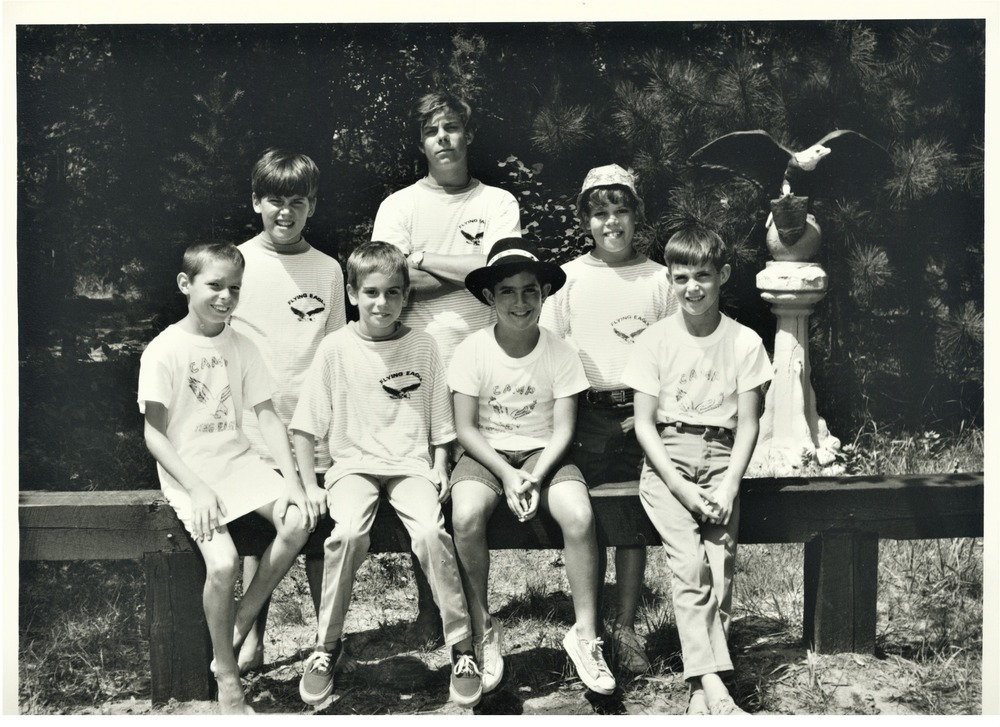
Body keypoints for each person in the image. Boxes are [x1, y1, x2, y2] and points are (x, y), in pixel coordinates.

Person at [290, 242, 483, 709]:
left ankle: (462, 648)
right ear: (352, 294)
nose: (382, 303)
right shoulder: (335, 348)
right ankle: (327, 646)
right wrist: (309, 484)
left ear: (406, 296)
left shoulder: (423, 344)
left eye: (393, 292)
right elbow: (304, 425)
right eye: (372, 292)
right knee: (348, 533)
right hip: (352, 467)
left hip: (410, 465)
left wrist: (440, 464)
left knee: (431, 532)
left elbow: (441, 421)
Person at [138, 242, 316, 714]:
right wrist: (196, 487)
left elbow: (268, 415)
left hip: (238, 463)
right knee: (223, 564)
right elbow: (154, 435)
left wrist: (293, 481)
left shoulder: (241, 344)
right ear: (186, 284)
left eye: (234, 288)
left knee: (298, 521)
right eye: (214, 285)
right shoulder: (164, 349)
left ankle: (240, 621)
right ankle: (227, 674)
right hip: (188, 471)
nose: (225, 297)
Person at [371, 89, 521, 644]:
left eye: (452, 128)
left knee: (473, 489)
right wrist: (469, 271)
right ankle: (431, 609)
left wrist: (421, 259)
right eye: (432, 131)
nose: (443, 138)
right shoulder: (399, 206)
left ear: (468, 134)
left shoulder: (498, 202)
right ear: (421, 143)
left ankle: (477, 611)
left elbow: (501, 271)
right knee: (425, 485)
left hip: (487, 362)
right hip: (414, 363)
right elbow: (391, 285)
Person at [448, 238, 617, 697]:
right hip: (486, 455)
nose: (520, 302)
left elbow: (564, 429)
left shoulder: (561, 352)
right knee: (465, 516)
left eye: (530, 291)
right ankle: (482, 631)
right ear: (490, 296)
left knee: (578, 515)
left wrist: (536, 476)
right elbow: (465, 429)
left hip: (544, 455)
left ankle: (585, 635)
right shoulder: (472, 350)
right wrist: (506, 475)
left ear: (544, 294)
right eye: (507, 291)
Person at [621, 228, 772, 715]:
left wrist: (729, 486)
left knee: (720, 566)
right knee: (689, 565)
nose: (692, 287)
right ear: (669, 279)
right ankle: (715, 684)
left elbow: (749, 425)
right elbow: (644, 425)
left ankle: (699, 693)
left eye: (703, 276)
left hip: (722, 459)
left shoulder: (744, 341)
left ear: (722, 275)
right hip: (667, 459)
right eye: (681, 277)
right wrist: (679, 487)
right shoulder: (654, 340)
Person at [540, 164, 678, 673]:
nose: (612, 222)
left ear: (636, 215)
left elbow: (674, 349)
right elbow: (551, 349)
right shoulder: (569, 280)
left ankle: (627, 625)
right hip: (589, 412)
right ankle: (590, 627)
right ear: (585, 221)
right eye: (600, 214)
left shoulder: (660, 278)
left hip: (644, 409)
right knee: (593, 515)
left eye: (621, 211)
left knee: (634, 518)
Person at [228, 148, 347, 674]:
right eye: (275, 200)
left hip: (312, 429)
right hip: (250, 431)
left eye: (297, 202)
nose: (285, 212)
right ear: (256, 201)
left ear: (312, 206)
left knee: (319, 532)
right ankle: (250, 641)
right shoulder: (236, 263)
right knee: (260, 535)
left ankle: (326, 645)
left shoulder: (328, 270)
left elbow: (338, 351)